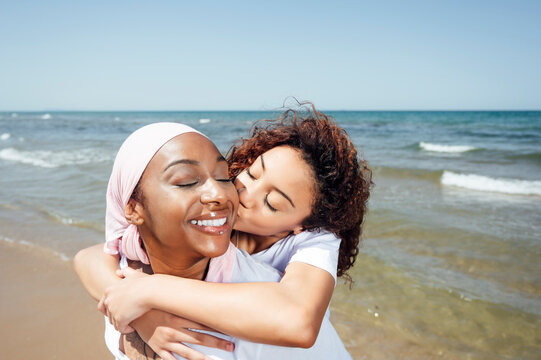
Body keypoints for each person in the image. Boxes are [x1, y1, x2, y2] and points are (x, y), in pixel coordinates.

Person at [75, 106, 371, 359]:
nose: (245, 193)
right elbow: (92, 257)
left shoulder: (314, 240)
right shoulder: (213, 214)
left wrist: (149, 290)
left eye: (271, 203)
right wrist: (141, 316)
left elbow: (299, 320)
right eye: (252, 173)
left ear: (301, 225)